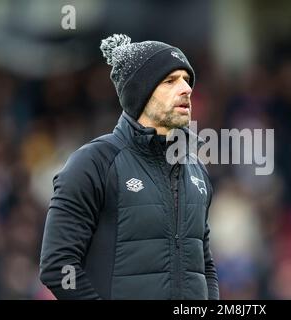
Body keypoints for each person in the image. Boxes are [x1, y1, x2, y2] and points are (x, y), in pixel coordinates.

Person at [39, 34, 219, 300]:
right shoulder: (93, 163)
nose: (186, 89)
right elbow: (58, 266)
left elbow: (204, 267)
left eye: (186, 80)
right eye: (170, 81)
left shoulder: (196, 170)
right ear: (140, 92)